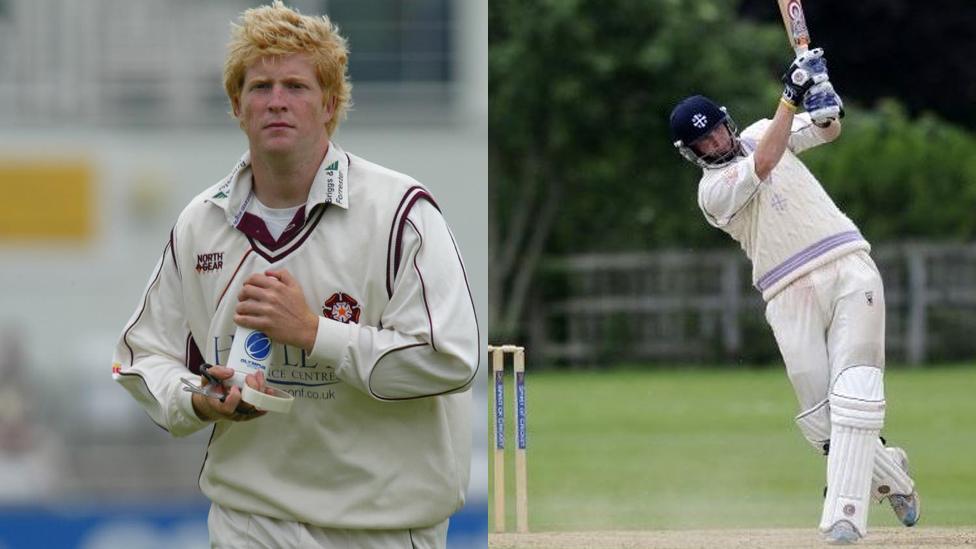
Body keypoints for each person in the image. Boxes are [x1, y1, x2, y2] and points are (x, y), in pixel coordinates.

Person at [111, 2, 479, 548]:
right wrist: (197, 399)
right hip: (249, 519)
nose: (276, 101)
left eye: (296, 86)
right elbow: (141, 357)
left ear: (330, 104)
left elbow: (450, 357)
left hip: (382, 525)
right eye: (260, 87)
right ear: (237, 105)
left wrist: (314, 333)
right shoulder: (201, 223)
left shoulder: (400, 212)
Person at [669, 49, 919, 544]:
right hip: (786, 292)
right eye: (704, 141)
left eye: (717, 129)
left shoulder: (764, 129)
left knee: (855, 394)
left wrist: (822, 98)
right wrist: (792, 92)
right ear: (693, 152)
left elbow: (827, 130)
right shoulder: (713, 191)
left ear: (727, 120)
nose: (717, 142)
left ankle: (844, 517)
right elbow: (763, 165)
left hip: (848, 265)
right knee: (818, 418)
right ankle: (892, 473)